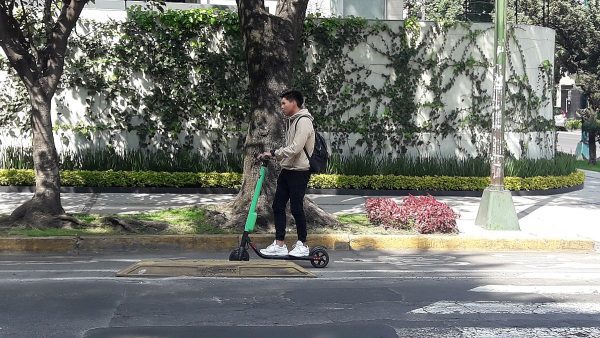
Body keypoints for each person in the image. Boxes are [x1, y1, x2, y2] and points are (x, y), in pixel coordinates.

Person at [257, 90, 315, 257]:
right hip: (288, 170)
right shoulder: (292, 121)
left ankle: (303, 245)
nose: (281, 107)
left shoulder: (304, 122)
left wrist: (274, 153)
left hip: (300, 171)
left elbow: (296, 148)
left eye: (284, 103)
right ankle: (280, 244)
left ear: (294, 103)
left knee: (297, 208)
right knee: (277, 206)